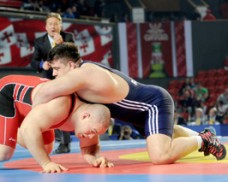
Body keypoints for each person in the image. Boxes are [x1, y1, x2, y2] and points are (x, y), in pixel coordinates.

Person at [32, 42, 226, 163]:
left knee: (160, 156)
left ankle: (203, 140)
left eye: (57, 68)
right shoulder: (79, 76)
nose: (54, 74)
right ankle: (205, 136)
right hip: (138, 112)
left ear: (72, 65)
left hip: (153, 103)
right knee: (171, 134)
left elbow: (42, 94)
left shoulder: (82, 73)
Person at [0, 75, 113, 173]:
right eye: (92, 132)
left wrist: (95, 157)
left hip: (31, 112)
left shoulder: (89, 120)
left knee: (46, 147)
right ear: (86, 115)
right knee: (2, 152)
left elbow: (89, 148)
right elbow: (28, 129)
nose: (90, 136)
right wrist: (46, 164)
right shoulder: (61, 106)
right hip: (8, 94)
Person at [31, 12, 75, 154]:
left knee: (63, 109)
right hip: (47, 80)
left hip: (64, 79)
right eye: (50, 24)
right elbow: (33, 61)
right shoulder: (39, 41)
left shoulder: (68, 38)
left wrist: (62, 43)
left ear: (60, 26)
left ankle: (65, 143)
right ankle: (54, 140)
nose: (53, 26)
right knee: (48, 111)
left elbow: (74, 56)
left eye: (56, 24)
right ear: (45, 27)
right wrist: (41, 65)